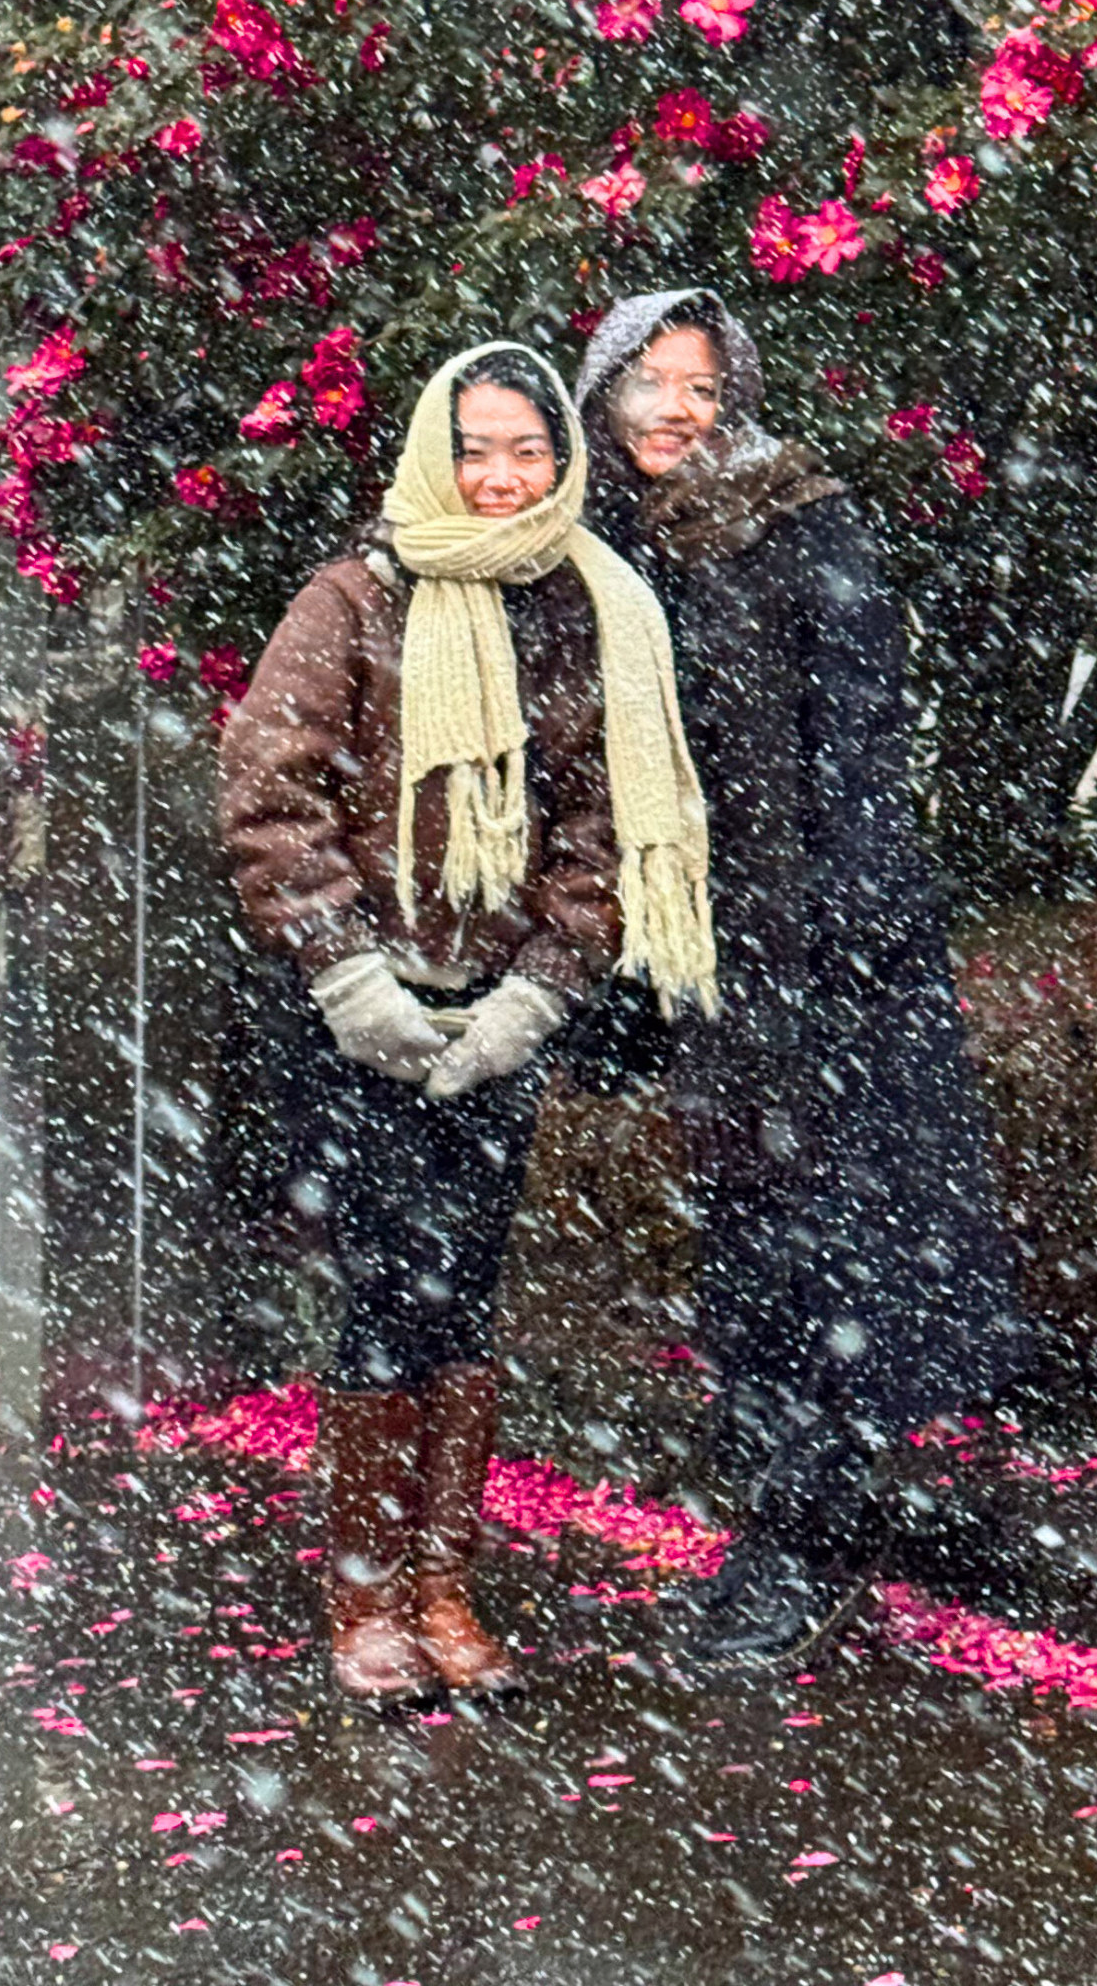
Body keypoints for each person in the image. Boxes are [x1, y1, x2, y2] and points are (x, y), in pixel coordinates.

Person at [219, 340, 717, 1704]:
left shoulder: (588, 607)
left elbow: (604, 823)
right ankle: (364, 1599)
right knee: (388, 1288)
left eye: (529, 451)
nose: (502, 478)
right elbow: (272, 793)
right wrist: (351, 976)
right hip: (361, 1015)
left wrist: (540, 990)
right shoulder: (352, 599)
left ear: (561, 458)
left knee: (468, 1288)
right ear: (436, 453)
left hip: (496, 1013)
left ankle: (446, 1586)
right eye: (477, 450)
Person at [576, 287, 1031, 1667]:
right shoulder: (602, 549)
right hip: (699, 959)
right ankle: (773, 1532)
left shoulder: (796, 519)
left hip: (818, 958)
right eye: (649, 382)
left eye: (701, 386)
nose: (675, 408)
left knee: (820, 1251)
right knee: (747, 1252)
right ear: (601, 396)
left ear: (736, 404)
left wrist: (833, 954)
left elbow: (862, 752)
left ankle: (804, 1544)